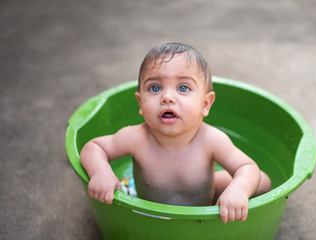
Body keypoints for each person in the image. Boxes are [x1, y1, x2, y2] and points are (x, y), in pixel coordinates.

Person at [80, 43, 272, 223]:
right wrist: (101, 172)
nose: (167, 97)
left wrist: (238, 190)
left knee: (262, 182)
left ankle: (227, 191)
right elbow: (93, 147)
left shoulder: (212, 140)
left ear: (205, 104)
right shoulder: (135, 138)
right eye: (154, 88)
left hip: (203, 207)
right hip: (147, 211)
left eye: (183, 88)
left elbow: (247, 166)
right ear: (140, 103)